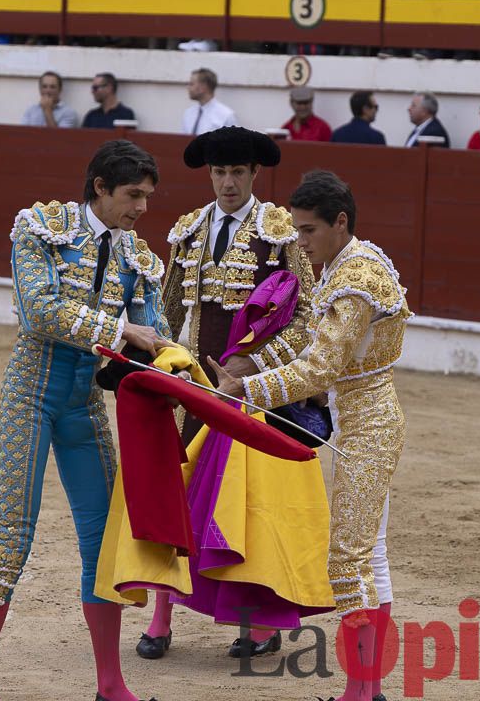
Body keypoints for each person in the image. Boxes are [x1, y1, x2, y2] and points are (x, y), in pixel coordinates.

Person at [0, 140, 175, 701]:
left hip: (84, 405)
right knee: (12, 538)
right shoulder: (40, 228)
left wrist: (178, 365)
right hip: (30, 397)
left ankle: (110, 684)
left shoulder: (138, 257)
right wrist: (123, 333)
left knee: (102, 544)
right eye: (133, 195)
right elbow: (41, 312)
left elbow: (154, 332)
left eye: (149, 197)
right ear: (100, 188)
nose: (142, 209)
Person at [124, 126, 323, 661]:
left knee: (243, 506)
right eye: (219, 172)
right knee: (180, 494)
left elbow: (305, 319)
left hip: (250, 392)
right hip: (194, 384)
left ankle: (255, 623)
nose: (227, 182)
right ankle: (162, 620)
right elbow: (163, 314)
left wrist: (251, 364)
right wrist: (166, 368)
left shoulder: (280, 231)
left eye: (237, 172)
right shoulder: (188, 230)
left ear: (255, 174)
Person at [212, 169, 410, 701]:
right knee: (370, 557)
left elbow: (319, 370)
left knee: (347, 560)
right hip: (361, 417)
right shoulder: (345, 262)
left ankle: (359, 692)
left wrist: (248, 390)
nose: (299, 243)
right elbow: (310, 347)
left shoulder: (356, 279)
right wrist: (250, 374)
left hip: (367, 426)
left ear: (339, 222)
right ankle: (365, 689)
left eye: (306, 231)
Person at [181, 68, 238, 135]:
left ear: (203, 86)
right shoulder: (189, 113)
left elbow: (233, 143)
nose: (188, 88)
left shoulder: (226, 115)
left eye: (191, 84)